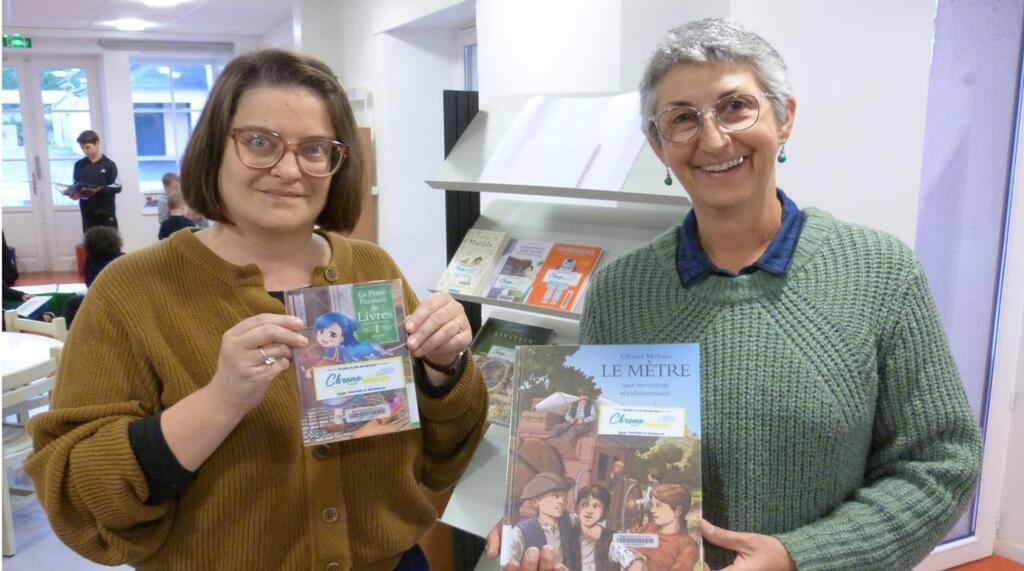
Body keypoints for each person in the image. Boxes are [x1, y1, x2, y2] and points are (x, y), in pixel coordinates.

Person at [25, 48, 487, 570]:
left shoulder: (371, 268)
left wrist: (443, 371)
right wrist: (220, 401)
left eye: (315, 149)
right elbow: (78, 500)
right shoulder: (132, 291)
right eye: (260, 142)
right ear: (214, 148)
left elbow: (446, 456)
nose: (289, 169)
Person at [575, 18, 981, 571]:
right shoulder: (618, 295)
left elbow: (941, 461)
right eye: (683, 119)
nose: (714, 139)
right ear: (658, 146)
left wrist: (801, 557)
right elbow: (610, 460)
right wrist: (551, 530)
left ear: (784, 117)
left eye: (735, 106)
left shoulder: (882, 274)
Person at [612, 484, 699, 571]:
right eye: (653, 505)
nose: (653, 510)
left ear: (678, 511)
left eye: (659, 506)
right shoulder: (649, 527)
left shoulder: (687, 546)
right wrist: (637, 561)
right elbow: (620, 544)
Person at [506, 472, 580, 571]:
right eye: (555, 496)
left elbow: (586, 523)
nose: (561, 501)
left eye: (564, 497)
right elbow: (508, 561)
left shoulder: (569, 520)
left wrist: (599, 528)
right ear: (536, 501)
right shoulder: (521, 530)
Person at [72, 130, 121, 233]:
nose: (85, 151)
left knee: (110, 245)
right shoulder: (79, 165)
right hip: (87, 212)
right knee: (91, 245)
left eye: (87, 147)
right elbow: (76, 185)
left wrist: (99, 190)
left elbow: (118, 187)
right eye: (82, 148)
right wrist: (74, 193)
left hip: (106, 212)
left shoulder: (109, 165)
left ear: (97, 144)